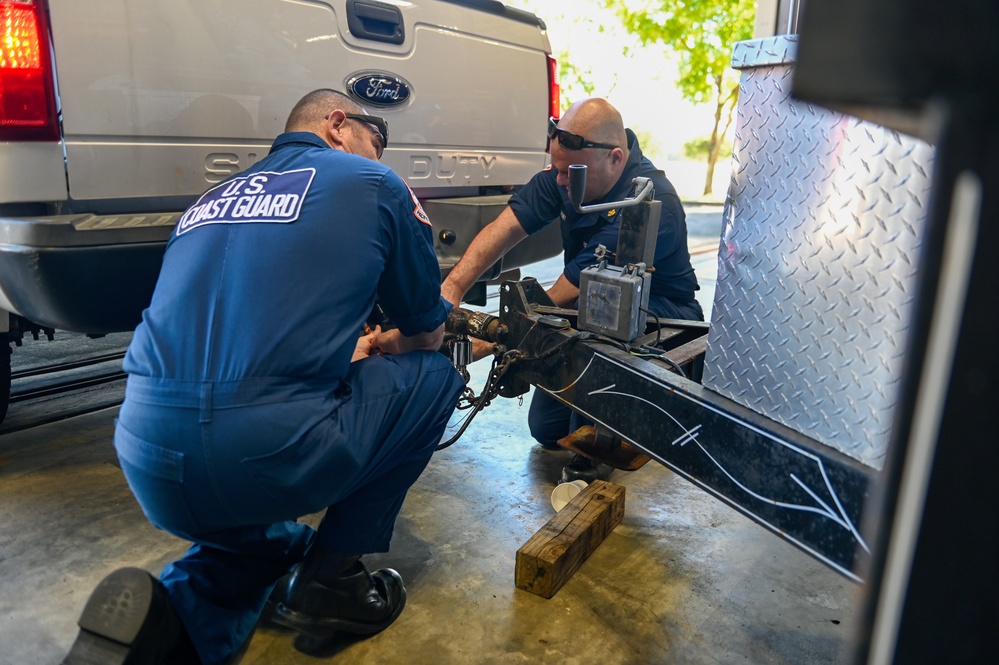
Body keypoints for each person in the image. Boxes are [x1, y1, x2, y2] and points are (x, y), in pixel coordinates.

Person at [61, 89, 465, 665]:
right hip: (268, 452)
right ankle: (334, 577)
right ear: (337, 124)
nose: (380, 159)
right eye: (377, 142)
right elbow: (427, 333)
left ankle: (168, 621)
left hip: (149, 459)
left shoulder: (208, 199)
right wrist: (377, 343)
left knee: (256, 545)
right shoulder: (373, 185)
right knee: (436, 375)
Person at [440, 97, 702, 484]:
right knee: (548, 431)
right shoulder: (569, 171)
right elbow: (506, 227)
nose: (560, 182)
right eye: (557, 170)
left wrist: (476, 344)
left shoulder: (649, 202)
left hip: (660, 315)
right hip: (587, 306)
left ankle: (649, 414)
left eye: (570, 175)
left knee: (593, 342)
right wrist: (450, 292)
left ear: (615, 158)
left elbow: (567, 291)